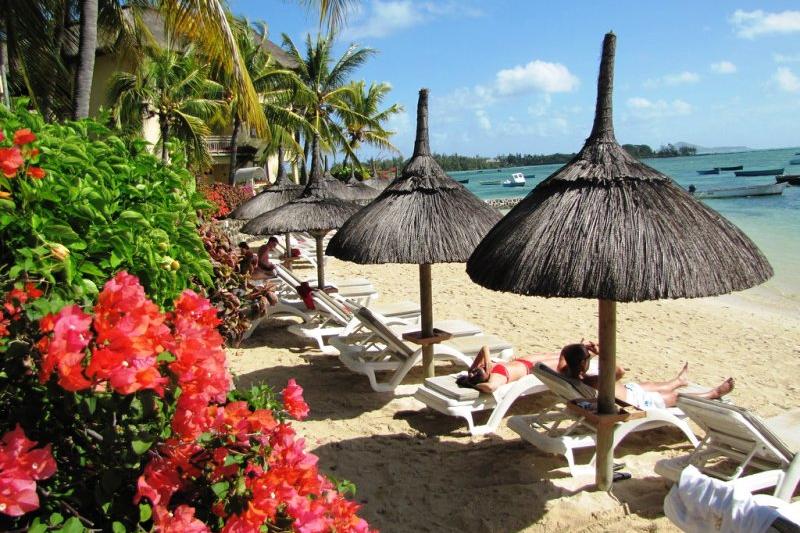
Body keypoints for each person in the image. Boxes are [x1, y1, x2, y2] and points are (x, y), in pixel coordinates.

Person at [461, 342, 735, 410]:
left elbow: (563, 362)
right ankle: (710, 394)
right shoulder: (591, 381)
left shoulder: (566, 375)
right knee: (672, 397)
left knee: (645, 384)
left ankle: (678, 379)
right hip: (633, 404)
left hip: (627, 391)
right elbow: (618, 371)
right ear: (584, 366)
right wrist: (603, 352)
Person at [457, 340, 599, 394]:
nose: (473, 373)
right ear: (484, 379)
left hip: (525, 360)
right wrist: (474, 384)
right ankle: (589, 356)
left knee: (556, 354)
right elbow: (490, 388)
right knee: (565, 358)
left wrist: (486, 364)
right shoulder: (495, 377)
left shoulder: (481, 370)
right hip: (531, 368)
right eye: (475, 375)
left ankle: (586, 353)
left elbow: (484, 347)